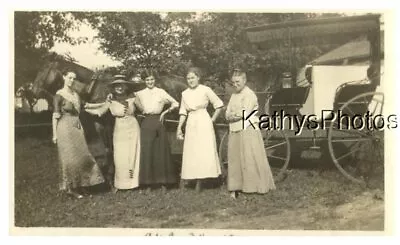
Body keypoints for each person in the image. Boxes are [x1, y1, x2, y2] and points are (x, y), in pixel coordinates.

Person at [52, 69, 105, 199]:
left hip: (77, 126)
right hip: (64, 127)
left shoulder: (76, 94)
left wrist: (105, 103)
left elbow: (87, 106)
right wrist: (55, 135)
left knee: (82, 156)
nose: (71, 80)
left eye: (74, 78)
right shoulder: (59, 95)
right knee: (69, 158)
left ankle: (81, 185)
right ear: (64, 77)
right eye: (69, 77)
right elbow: (55, 116)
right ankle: (70, 188)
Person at [225, 70, 276, 199]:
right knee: (235, 158)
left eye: (238, 82)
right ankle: (237, 186)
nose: (235, 84)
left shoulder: (250, 95)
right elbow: (227, 114)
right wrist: (233, 115)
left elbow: (245, 114)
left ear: (244, 81)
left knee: (249, 157)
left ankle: (254, 185)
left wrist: (234, 115)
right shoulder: (234, 95)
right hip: (235, 129)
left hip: (248, 129)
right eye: (233, 82)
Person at [85, 77, 141, 192]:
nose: (119, 88)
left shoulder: (133, 98)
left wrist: (137, 98)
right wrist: (82, 110)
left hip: (133, 127)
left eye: (121, 85)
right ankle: (122, 184)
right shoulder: (110, 101)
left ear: (125, 86)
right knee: (120, 155)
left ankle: (134, 182)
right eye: (117, 86)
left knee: (133, 154)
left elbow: (143, 108)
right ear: (114, 89)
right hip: (120, 128)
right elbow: (99, 112)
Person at [176, 67, 224, 192]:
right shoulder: (184, 93)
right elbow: (182, 112)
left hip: (203, 120)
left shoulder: (205, 90)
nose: (190, 80)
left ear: (198, 77)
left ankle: (201, 181)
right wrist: (179, 127)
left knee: (204, 150)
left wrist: (211, 120)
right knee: (192, 151)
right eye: (188, 78)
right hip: (191, 121)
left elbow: (218, 105)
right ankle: (190, 178)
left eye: (193, 77)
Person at [135, 70, 180, 190]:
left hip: (158, 121)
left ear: (155, 80)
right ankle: (148, 183)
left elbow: (175, 103)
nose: (150, 82)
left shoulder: (161, 92)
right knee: (147, 151)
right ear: (144, 81)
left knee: (161, 151)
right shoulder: (139, 93)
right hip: (146, 122)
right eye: (147, 80)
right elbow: (126, 98)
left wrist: (165, 112)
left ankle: (164, 182)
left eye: (152, 79)